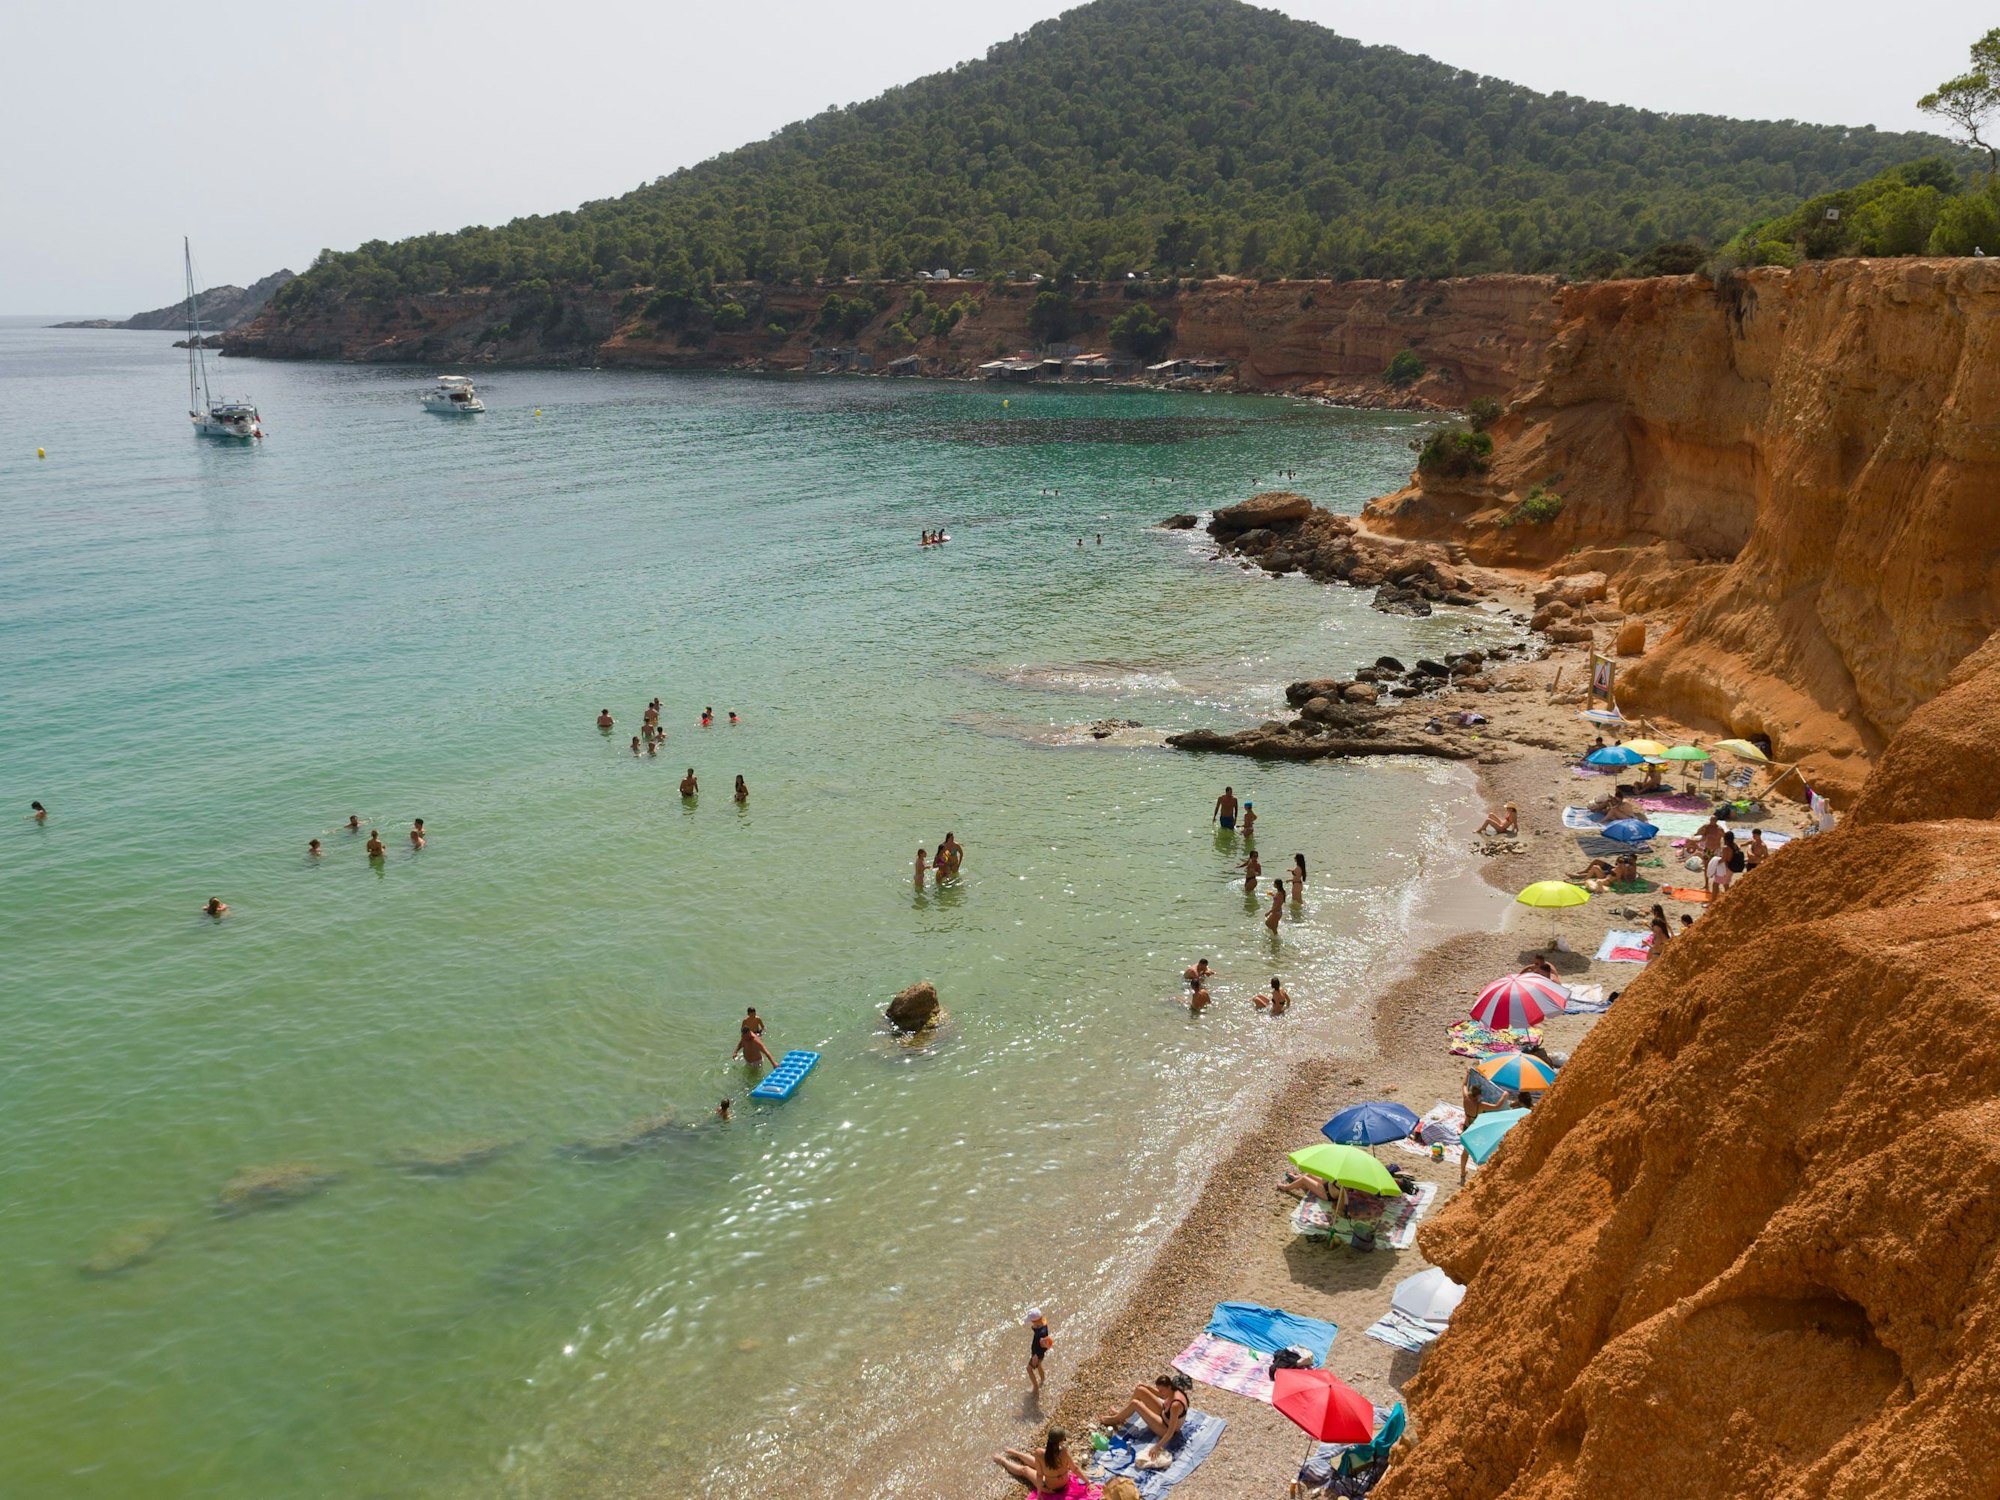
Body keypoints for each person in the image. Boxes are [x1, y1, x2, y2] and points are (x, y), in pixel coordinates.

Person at [1097, 1375, 1192, 1467]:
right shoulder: (1173, 1390)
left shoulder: (1176, 1405)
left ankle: (1114, 1420)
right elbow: (1160, 1394)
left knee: (1136, 1404)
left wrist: (1157, 1447)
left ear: (1169, 1386)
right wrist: (1146, 1387)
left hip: (1165, 1428)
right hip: (1164, 1413)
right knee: (1140, 1390)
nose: (1160, 1392)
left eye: (1162, 1390)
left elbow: (1171, 1431)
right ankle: (1122, 1413)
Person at [992, 1427, 1079, 1497]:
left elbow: (1039, 1476)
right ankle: (1016, 1453)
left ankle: (1002, 1460)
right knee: (1037, 1462)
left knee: (1025, 1470)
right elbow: (1075, 1468)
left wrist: (1039, 1493)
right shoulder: (1064, 1452)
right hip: (1063, 1484)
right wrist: (1085, 1481)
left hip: (1050, 1488)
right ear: (1060, 1441)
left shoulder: (1040, 1452)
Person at [1024, 1309, 1053, 1395]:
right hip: (1038, 1353)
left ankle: (1035, 1388)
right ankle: (1043, 1379)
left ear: (1035, 1321)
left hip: (1037, 1354)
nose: (1031, 1323)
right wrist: (1035, 1327)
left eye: (1032, 1322)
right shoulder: (1042, 1323)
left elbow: (1044, 1347)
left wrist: (1035, 1356)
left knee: (1029, 1369)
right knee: (1039, 1365)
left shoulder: (1041, 1334)